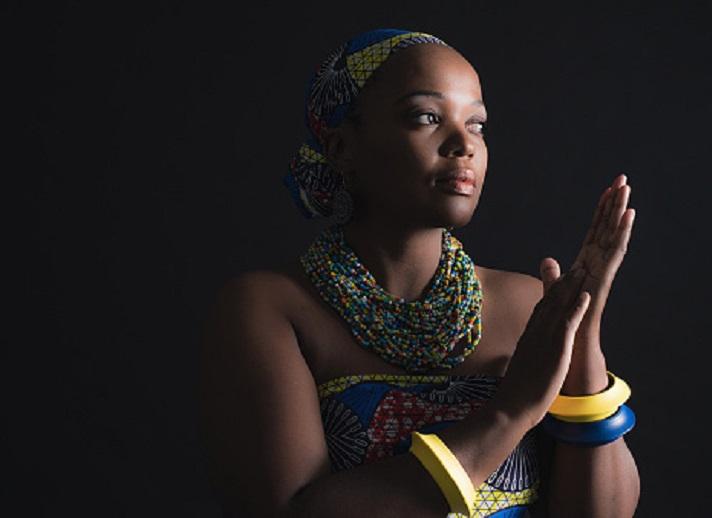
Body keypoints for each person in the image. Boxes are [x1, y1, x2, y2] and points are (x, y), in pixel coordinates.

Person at [199, 28, 640, 518]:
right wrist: (510, 411)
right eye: (426, 117)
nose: (462, 145)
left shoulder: (529, 303)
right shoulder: (270, 308)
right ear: (344, 148)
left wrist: (585, 338)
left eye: (476, 125)